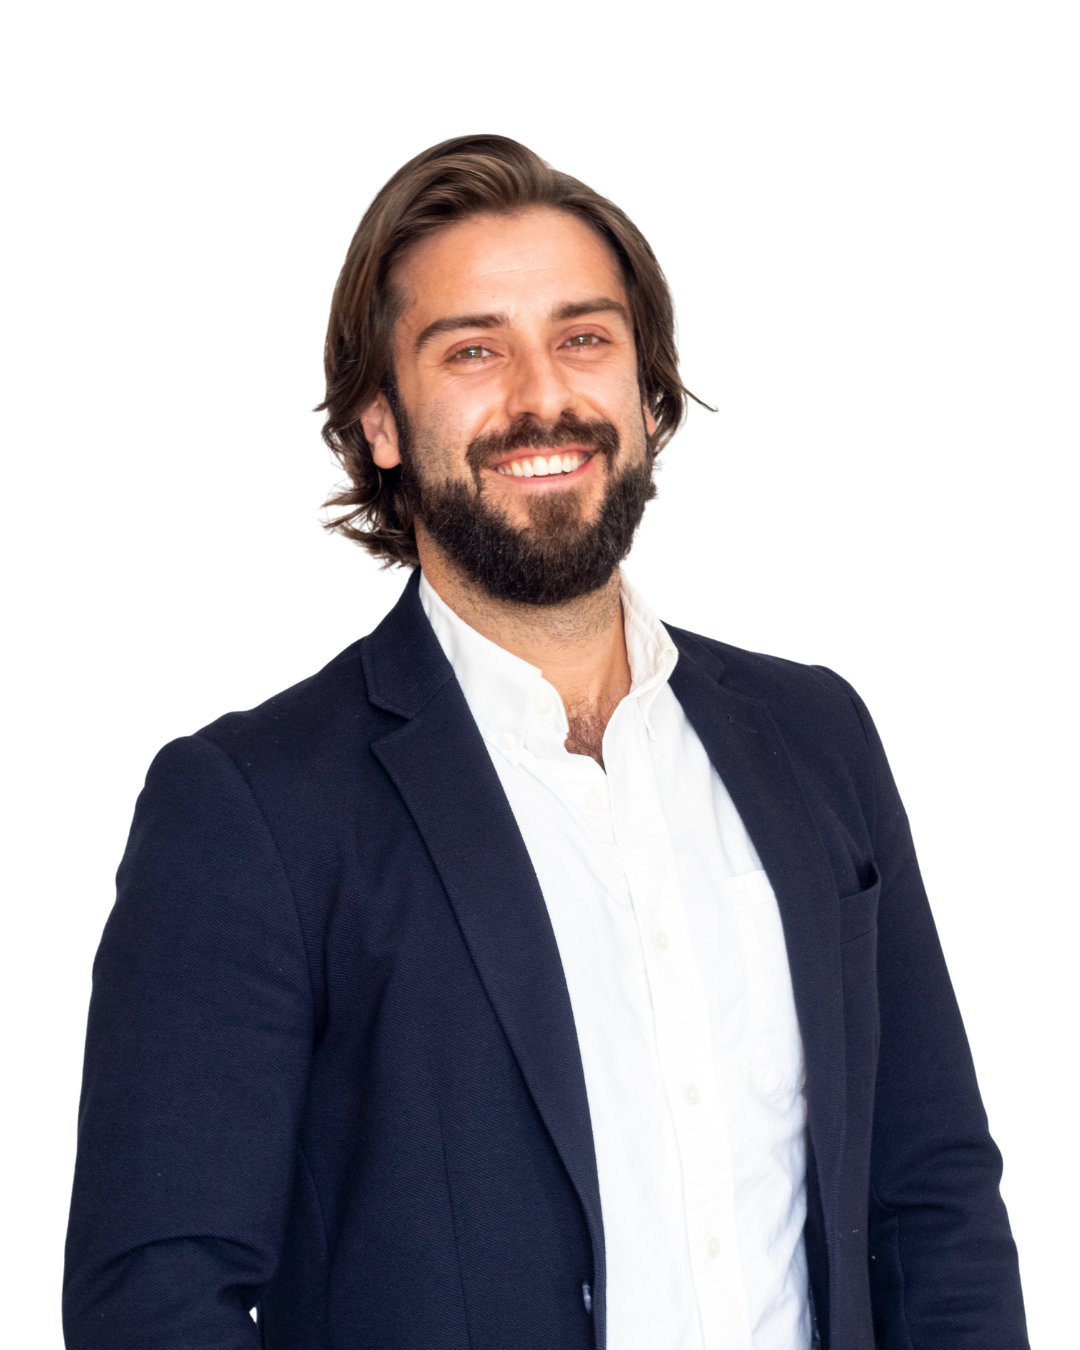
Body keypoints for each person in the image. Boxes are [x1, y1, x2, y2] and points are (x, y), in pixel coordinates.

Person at [63, 135, 1028, 1350]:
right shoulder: (253, 807)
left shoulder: (815, 738)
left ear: (647, 391)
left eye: (584, 338)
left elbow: (931, 1195)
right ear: (380, 422)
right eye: (472, 349)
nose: (541, 395)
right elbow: (155, 1299)